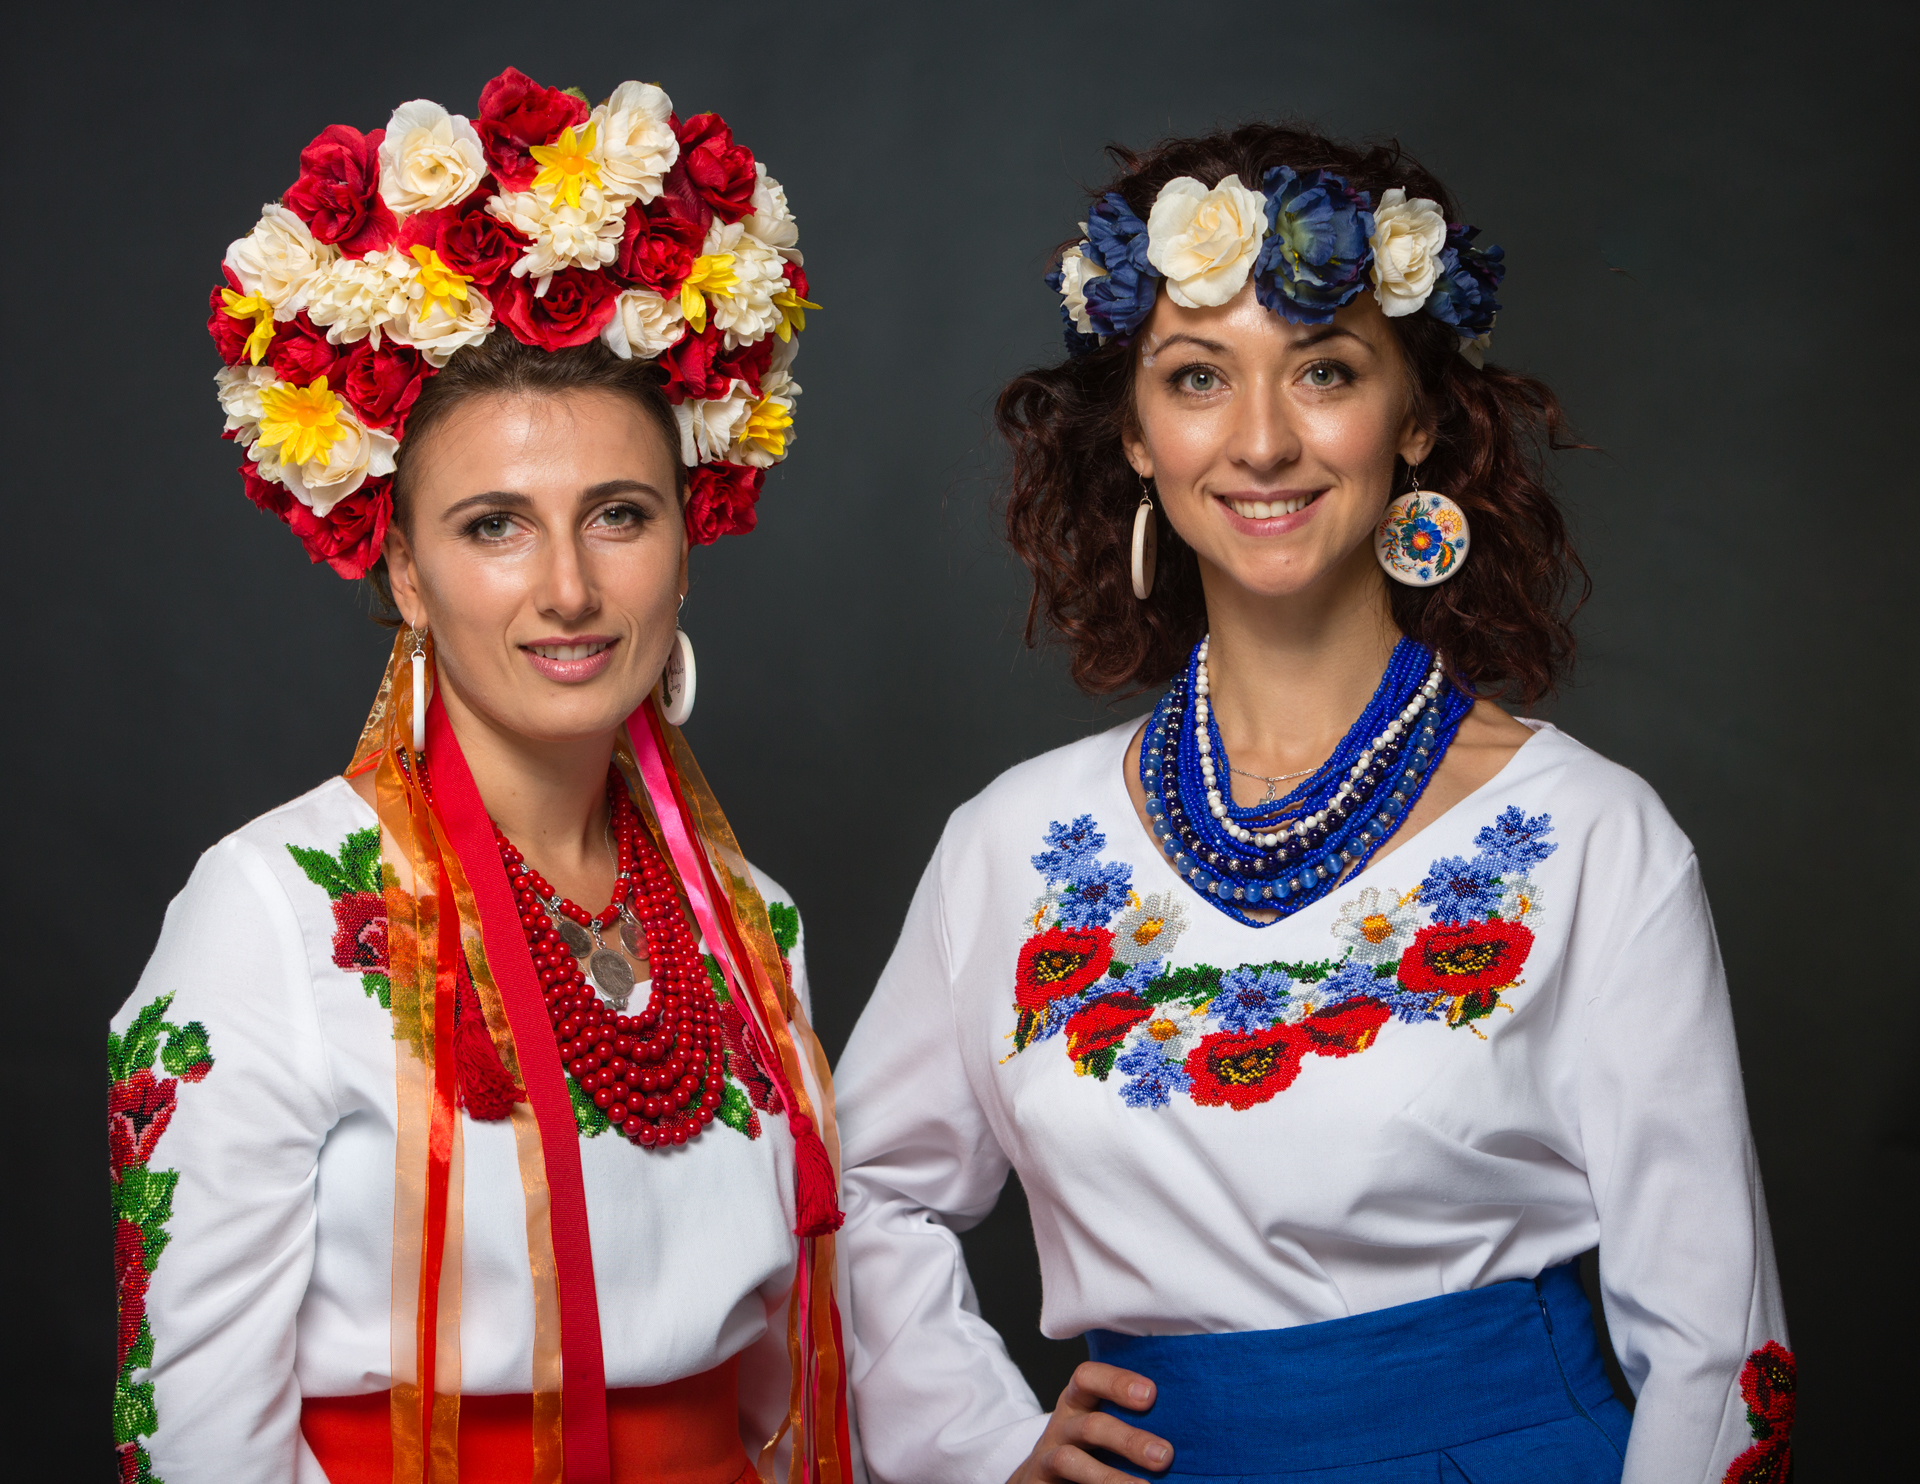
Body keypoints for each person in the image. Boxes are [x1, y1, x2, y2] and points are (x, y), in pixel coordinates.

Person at [833, 124, 1793, 1484]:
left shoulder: (1593, 837)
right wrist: (982, 1446)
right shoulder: (1014, 843)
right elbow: (866, 1191)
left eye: (1325, 370)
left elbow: (1713, 1330)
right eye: (1197, 377)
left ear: (1417, 417)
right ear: (1138, 435)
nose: (1264, 441)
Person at [109, 68, 851, 1484]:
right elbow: (197, 1435)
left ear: (685, 545)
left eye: (618, 516)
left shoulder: (753, 923)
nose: (568, 588)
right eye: (494, 526)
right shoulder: (268, 913)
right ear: (405, 570)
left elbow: (787, 1392)